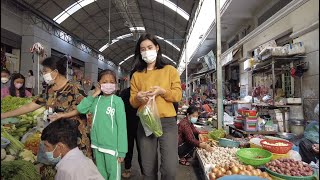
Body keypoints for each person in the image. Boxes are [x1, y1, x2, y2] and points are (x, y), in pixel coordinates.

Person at [1, 56, 92, 159]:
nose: (43, 75)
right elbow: (31, 106)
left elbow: (85, 107)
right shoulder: (49, 89)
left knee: (76, 166)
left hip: (75, 135)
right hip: (59, 134)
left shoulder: (74, 87)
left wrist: (64, 115)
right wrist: (4, 115)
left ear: (55, 71)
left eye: (45, 71)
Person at [51, 69, 128, 180]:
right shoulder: (96, 101)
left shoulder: (117, 101)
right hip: (97, 146)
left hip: (112, 149)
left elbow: (122, 127)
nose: (108, 84)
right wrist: (95, 93)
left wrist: (121, 151)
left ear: (115, 84)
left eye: (111, 82)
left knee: (113, 176)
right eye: (105, 82)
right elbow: (81, 108)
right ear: (99, 84)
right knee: (101, 175)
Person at [130, 33, 182, 180]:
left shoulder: (170, 70)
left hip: (167, 123)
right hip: (146, 122)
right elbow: (132, 102)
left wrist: (162, 91)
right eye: (142, 49)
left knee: (170, 168)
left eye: (149, 47)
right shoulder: (137, 75)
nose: (146, 51)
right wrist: (138, 98)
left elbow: (177, 95)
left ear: (157, 48)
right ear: (139, 52)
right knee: (148, 169)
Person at [119, 70, 142, 178]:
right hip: (127, 125)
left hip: (141, 126)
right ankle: (127, 168)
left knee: (143, 149)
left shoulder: (143, 93)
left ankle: (144, 171)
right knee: (128, 149)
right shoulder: (124, 93)